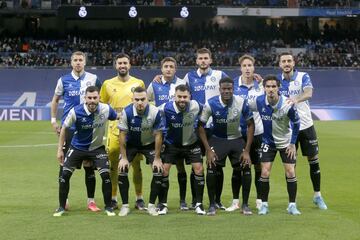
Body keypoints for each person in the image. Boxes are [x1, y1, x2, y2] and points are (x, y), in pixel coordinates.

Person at [53, 86, 117, 217]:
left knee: (105, 175)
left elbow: (118, 118)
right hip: (77, 148)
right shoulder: (75, 111)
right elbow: (64, 129)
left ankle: (108, 207)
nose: (92, 100)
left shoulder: (106, 109)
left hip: (97, 148)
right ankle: (61, 207)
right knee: (64, 175)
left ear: (99, 97)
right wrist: (60, 150)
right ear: (85, 98)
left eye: (95, 97)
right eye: (90, 98)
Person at [50, 51, 102, 212]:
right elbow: (55, 100)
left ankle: (91, 201)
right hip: (70, 128)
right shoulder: (63, 80)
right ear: (71, 63)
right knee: (64, 165)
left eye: (81, 60)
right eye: (75, 60)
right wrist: (53, 120)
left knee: (89, 164)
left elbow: (101, 98)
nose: (78, 62)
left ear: (85, 62)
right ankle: (63, 201)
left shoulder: (93, 79)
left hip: (88, 128)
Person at [278, 52, 327, 210]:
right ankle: (292, 202)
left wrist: (296, 100)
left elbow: (309, 92)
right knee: (290, 166)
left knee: (313, 159)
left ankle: (317, 195)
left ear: (294, 63)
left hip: (306, 126)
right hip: (287, 129)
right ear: (280, 65)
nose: (286, 63)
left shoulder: (303, 76)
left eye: (289, 61)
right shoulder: (276, 82)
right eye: (283, 61)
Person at [198, 77, 255, 216]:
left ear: (233, 89)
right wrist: (208, 150)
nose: (227, 91)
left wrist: (247, 150)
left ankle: (245, 205)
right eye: (224, 89)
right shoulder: (211, 103)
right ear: (219, 89)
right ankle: (212, 205)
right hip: (218, 140)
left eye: (229, 89)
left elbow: (251, 124)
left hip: (237, 139)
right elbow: (200, 126)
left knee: (246, 165)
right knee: (211, 166)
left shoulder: (241, 102)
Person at [183, 47, 230, 210]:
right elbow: (179, 92)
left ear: (210, 60)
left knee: (216, 164)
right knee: (196, 165)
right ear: (196, 60)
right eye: (200, 58)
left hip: (215, 128)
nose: (203, 61)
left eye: (205, 58)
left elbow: (231, 90)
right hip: (196, 128)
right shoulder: (189, 77)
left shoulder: (219, 75)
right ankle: (196, 200)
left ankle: (217, 200)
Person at [249, 75, 301, 215]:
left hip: (285, 143)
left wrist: (292, 143)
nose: (271, 89)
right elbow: (247, 109)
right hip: (268, 142)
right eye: (268, 86)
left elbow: (296, 124)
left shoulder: (287, 104)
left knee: (290, 172)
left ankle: (292, 205)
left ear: (278, 88)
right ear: (264, 88)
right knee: (264, 172)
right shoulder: (259, 101)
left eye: (273, 86)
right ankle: (264, 205)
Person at [100, 53, 146, 210]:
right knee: (113, 165)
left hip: (134, 130)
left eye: (125, 63)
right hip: (114, 130)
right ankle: (113, 198)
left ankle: (139, 198)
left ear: (130, 65)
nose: (122, 65)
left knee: (136, 165)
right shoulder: (107, 84)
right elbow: (102, 106)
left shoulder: (138, 82)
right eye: (119, 63)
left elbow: (143, 102)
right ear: (115, 65)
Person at [147, 57, 191, 210]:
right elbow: (147, 102)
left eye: (171, 66)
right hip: (162, 133)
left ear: (175, 68)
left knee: (180, 167)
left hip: (178, 131)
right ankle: (161, 202)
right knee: (163, 168)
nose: (168, 69)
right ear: (161, 68)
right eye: (165, 66)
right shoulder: (155, 84)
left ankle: (183, 201)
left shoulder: (182, 84)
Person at [159, 84, 206, 215]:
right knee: (164, 171)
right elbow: (152, 112)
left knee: (199, 169)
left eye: (185, 97)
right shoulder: (166, 107)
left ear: (190, 96)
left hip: (191, 143)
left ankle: (199, 204)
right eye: (179, 97)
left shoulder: (196, 105)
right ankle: (163, 204)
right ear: (174, 96)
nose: (182, 100)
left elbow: (208, 110)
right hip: (172, 144)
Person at [226, 54, 264, 214]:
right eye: (244, 65)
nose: (247, 68)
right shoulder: (233, 85)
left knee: (258, 167)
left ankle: (260, 200)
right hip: (238, 133)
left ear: (254, 67)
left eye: (250, 65)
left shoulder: (261, 85)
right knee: (238, 168)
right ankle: (235, 201)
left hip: (258, 133)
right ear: (240, 67)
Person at [117, 87, 164, 217]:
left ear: (147, 99)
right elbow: (121, 135)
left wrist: (157, 158)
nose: (139, 102)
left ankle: (151, 206)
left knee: (158, 170)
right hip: (131, 144)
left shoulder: (155, 112)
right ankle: (125, 206)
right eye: (136, 100)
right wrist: (124, 158)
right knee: (122, 169)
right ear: (132, 100)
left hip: (149, 145)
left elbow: (158, 135)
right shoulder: (126, 112)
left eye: (142, 99)